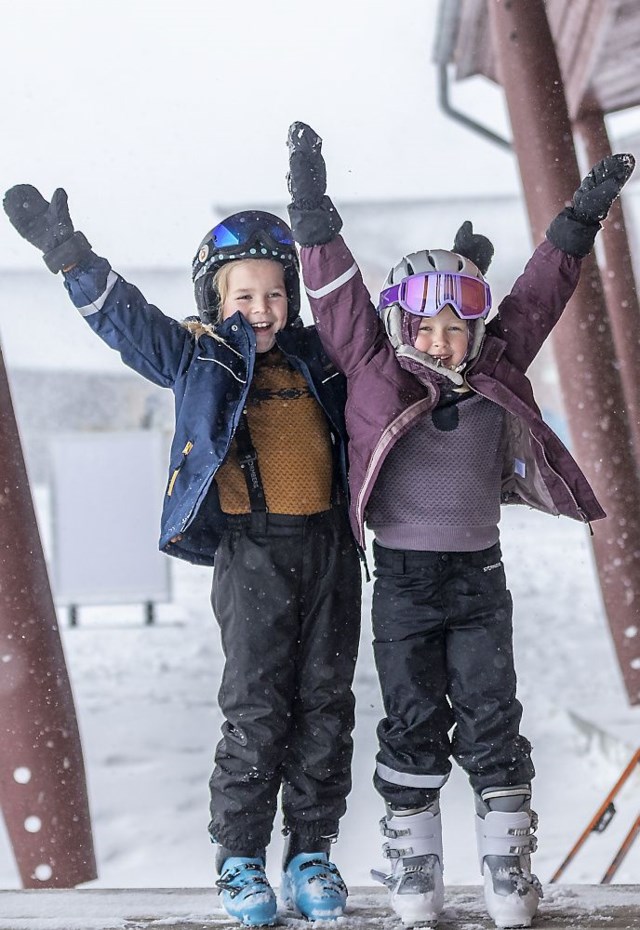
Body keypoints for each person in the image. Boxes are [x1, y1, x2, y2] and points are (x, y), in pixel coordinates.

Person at [284, 122, 634, 929]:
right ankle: (414, 857)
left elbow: (540, 291)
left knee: (490, 710)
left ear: (475, 330)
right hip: (402, 582)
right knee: (411, 716)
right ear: (402, 326)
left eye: (457, 326)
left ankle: (508, 860)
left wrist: (579, 220)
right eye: (427, 326)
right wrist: (311, 210)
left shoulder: (494, 366)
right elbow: (335, 298)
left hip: (479, 576)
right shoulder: (374, 368)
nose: (442, 341)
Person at [3, 188, 364, 928]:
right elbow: (126, 323)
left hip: (330, 551)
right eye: (243, 294)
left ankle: (311, 851)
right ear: (215, 297)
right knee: (259, 709)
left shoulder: (321, 361)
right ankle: (239, 859)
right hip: (251, 553)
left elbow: (377, 342)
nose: (261, 307)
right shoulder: (200, 355)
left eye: (274, 292)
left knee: (326, 706)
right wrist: (71, 257)